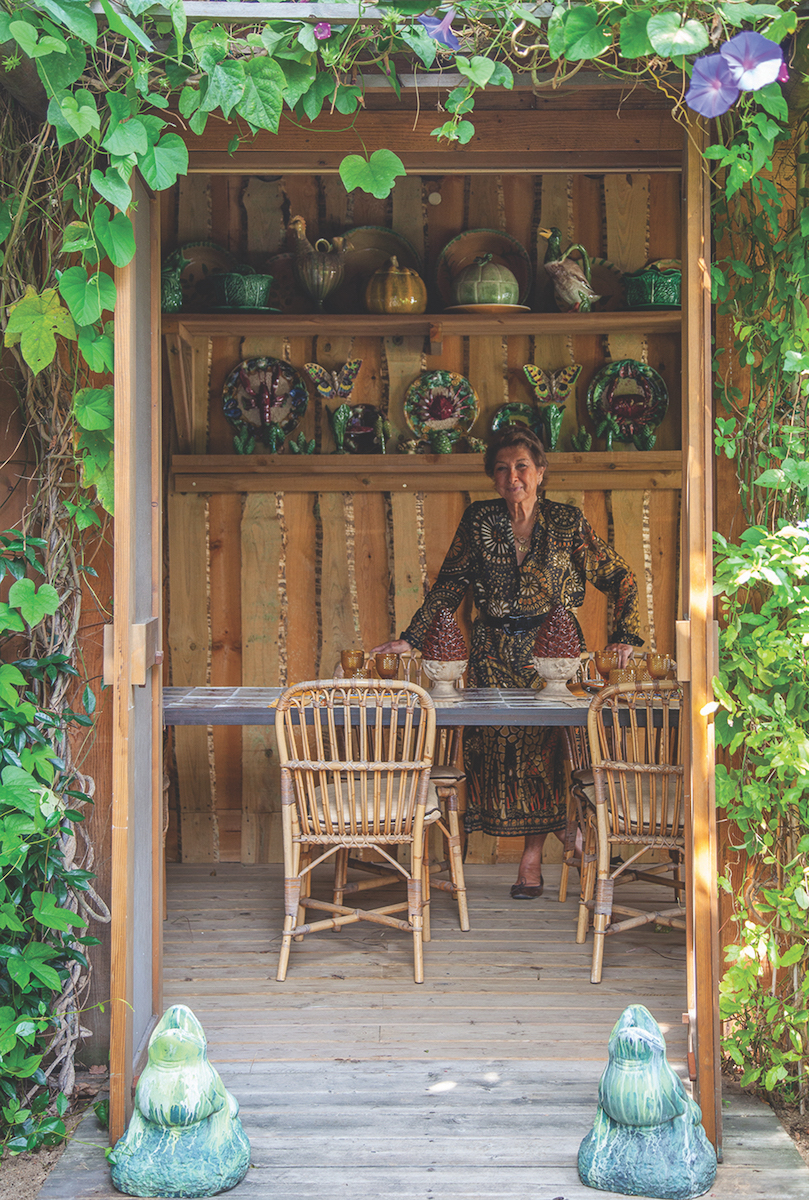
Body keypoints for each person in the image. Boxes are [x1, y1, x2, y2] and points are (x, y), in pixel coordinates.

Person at [372, 427, 642, 899]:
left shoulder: (567, 521)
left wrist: (624, 638)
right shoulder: (479, 520)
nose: (512, 476)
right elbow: (450, 585)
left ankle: (532, 857)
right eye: (502, 468)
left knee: (544, 753)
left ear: (540, 472)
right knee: (495, 754)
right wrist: (410, 639)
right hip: (491, 653)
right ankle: (566, 836)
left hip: (552, 658)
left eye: (521, 466)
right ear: (493, 478)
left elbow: (620, 578)